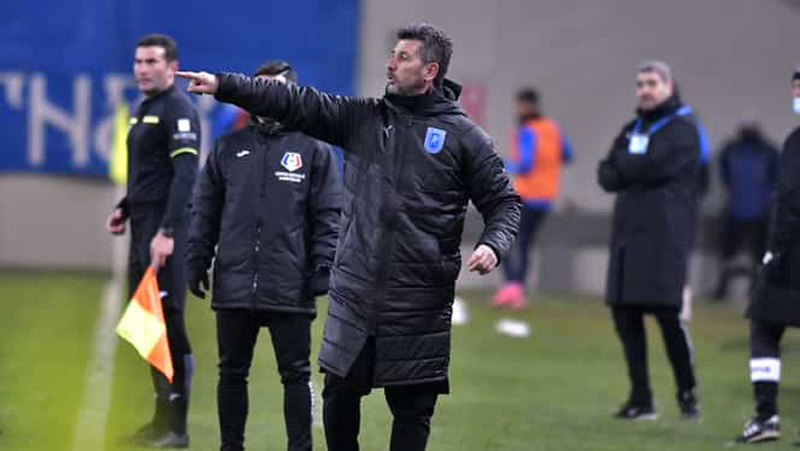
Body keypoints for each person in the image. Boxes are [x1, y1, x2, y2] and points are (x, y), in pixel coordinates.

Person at [177, 22, 521, 451]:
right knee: (339, 403)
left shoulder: (464, 137)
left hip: (419, 302)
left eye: (403, 57)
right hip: (356, 297)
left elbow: (505, 202)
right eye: (392, 54)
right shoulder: (363, 120)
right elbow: (297, 103)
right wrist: (225, 85)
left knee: (412, 414)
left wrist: (492, 244)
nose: (391, 64)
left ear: (430, 70)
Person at [186, 60, 341, 451]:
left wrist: (323, 264)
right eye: (259, 89)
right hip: (234, 283)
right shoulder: (227, 148)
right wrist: (197, 258)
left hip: (290, 283)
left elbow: (329, 213)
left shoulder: (314, 149)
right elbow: (205, 210)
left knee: (296, 374)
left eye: (274, 89)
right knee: (231, 373)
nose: (265, 97)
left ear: (293, 95)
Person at [105, 34, 200, 448]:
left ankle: (177, 426)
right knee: (147, 324)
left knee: (168, 322)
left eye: (151, 62)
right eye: (138, 62)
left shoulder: (179, 109)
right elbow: (149, 173)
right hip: (141, 229)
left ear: (172, 67)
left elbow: (185, 175)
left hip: (164, 233)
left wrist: (167, 233)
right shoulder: (143, 109)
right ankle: (161, 419)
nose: (142, 69)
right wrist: (125, 206)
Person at [597, 60, 702, 421]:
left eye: (652, 83)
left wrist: (626, 163)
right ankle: (641, 398)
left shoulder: (684, 129)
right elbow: (606, 174)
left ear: (668, 87)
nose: (645, 90)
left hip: (664, 240)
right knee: (625, 317)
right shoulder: (633, 128)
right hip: (627, 239)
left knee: (669, 319)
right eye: (641, 84)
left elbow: (654, 167)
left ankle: (687, 395)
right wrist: (630, 165)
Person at [733, 67, 800, 445]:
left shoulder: (795, 142)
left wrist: (775, 249)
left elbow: (790, 199)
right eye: (795, 88)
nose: (797, 95)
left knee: (764, 326)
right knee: (765, 325)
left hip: (792, 252)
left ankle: (766, 416)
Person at [492, 87, 573, 309]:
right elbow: (567, 154)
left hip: (525, 194)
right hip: (545, 197)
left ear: (526, 105)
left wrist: (502, 164)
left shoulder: (526, 130)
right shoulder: (553, 128)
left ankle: (511, 287)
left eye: (518, 105)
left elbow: (525, 165)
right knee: (525, 243)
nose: (516, 110)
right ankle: (517, 291)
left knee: (501, 236)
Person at [712, 122, 779, 301]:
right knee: (740, 254)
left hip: (746, 211)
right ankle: (742, 289)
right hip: (750, 211)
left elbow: (725, 178)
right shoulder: (765, 151)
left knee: (740, 254)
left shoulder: (735, 150)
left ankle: (734, 289)